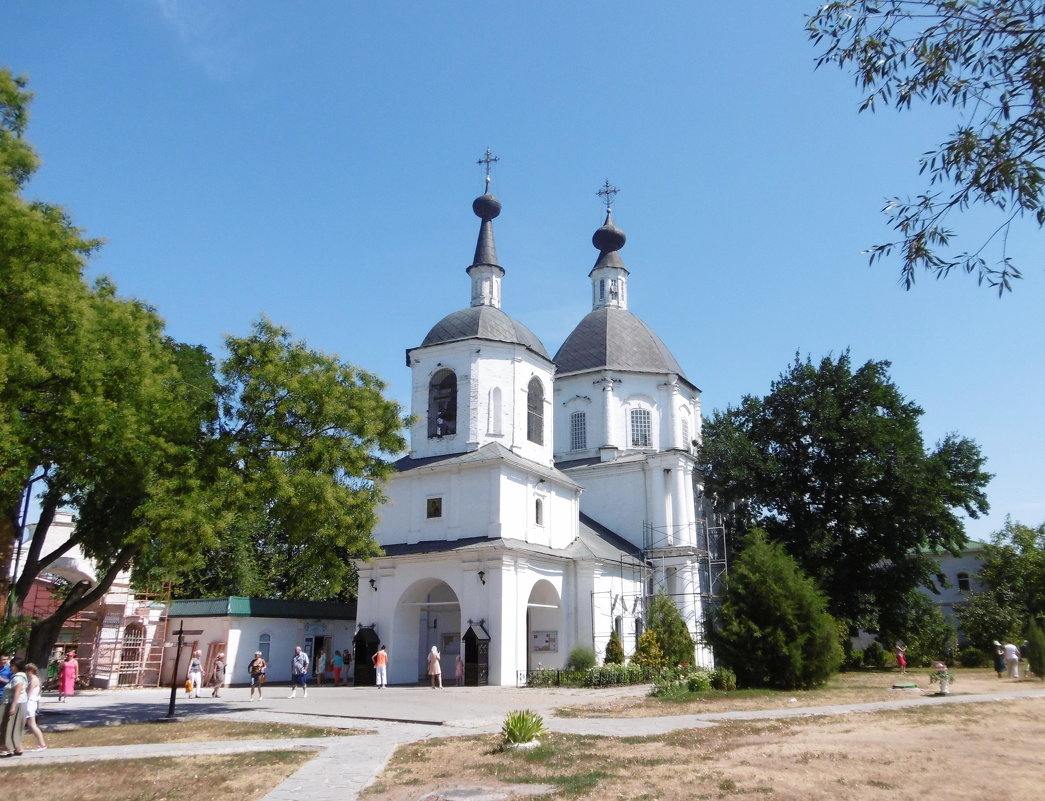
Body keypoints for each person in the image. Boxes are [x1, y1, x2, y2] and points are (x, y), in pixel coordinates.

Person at [0, 657, 28, 757]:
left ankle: (8, 748)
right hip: (15, 703)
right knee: (10, 726)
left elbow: (17, 691)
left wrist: (13, 707)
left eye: (12, 665)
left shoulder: (18, 677)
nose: (10, 667)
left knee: (10, 726)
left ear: (17, 666)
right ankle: (15, 748)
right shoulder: (17, 676)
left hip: (17, 704)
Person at [23, 663, 46, 751]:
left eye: (26, 671)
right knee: (31, 724)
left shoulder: (33, 680)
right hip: (32, 703)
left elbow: (29, 693)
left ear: (30, 671)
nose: (25, 672)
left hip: (30, 703)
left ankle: (42, 744)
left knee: (32, 725)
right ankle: (41, 744)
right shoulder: (35, 679)